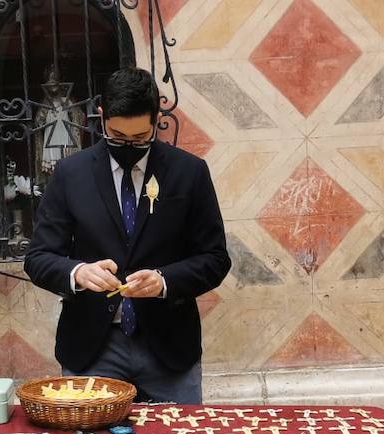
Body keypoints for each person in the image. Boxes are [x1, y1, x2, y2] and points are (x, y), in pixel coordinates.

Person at [24, 68, 231, 404]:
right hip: (92, 348)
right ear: (102, 117)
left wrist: (165, 280)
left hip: (169, 347)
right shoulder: (70, 174)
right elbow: (38, 258)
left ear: (156, 121)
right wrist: (78, 273)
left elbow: (215, 259)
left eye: (139, 138)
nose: (128, 146)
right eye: (117, 136)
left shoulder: (189, 172)